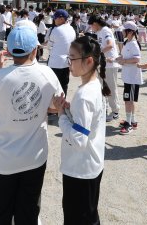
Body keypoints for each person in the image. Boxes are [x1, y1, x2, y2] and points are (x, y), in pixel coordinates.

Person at [0, 26, 63, 224]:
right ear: (35, 50)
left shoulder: (1, 76)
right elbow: (55, 105)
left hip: (3, 158)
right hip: (34, 156)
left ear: (8, 50)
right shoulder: (47, 73)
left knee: (0, 212)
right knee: (29, 211)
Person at [52, 36, 109, 225]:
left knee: (77, 218)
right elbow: (87, 122)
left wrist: (61, 114)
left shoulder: (85, 95)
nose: (69, 63)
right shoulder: (94, 85)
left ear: (89, 60)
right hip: (91, 164)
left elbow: (78, 140)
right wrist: (69, 108)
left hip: (80, 169)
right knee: (90, 216)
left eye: (72, 58)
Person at [89, 15, 121, 122]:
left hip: (110, 65)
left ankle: (115, 111)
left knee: (111, 88)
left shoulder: (106, 31)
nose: (91, 29)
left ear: (95, 24)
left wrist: (97, 52)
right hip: (104, 64)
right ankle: (105, 109)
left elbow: (110, 45)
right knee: (102, 88)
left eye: (91, 26)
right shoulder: (100, 32)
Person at [117, 21, 142, 134]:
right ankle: (132, 120)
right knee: (129, 100)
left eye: (124, 30)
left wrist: (124, 61)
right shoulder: (127, 42)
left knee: (129, 101)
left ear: (131, 32)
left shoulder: (134, 44)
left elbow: (137, 59)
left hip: (132, 77)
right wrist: (117, 59)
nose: (122, 31)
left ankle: (129, 124)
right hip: (128, 76)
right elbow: (124, 56)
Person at [46, 9, 76, 96]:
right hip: (66, 63)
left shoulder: (56, 30)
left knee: (53, 86)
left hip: (55, 63)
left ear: (62, 19)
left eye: (55, 18)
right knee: (64, 86)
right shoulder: (72, 29)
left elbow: (49, 46)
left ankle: (52, 108)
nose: (54, 20)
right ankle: (62, 106)